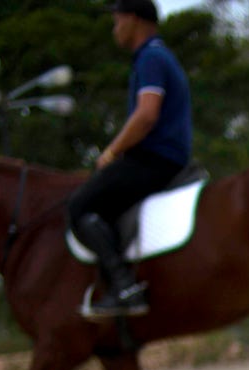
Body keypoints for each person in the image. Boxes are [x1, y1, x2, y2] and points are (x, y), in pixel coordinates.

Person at [66, 0, 195, 319]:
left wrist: (111, 152)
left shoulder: (151, 57)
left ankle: (124, 286)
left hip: (154, 158)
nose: (115, 28)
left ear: (134, 19)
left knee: (80, 206)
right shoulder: (157, 56)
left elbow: (146, 115)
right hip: (166, 156)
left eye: (117, 20)